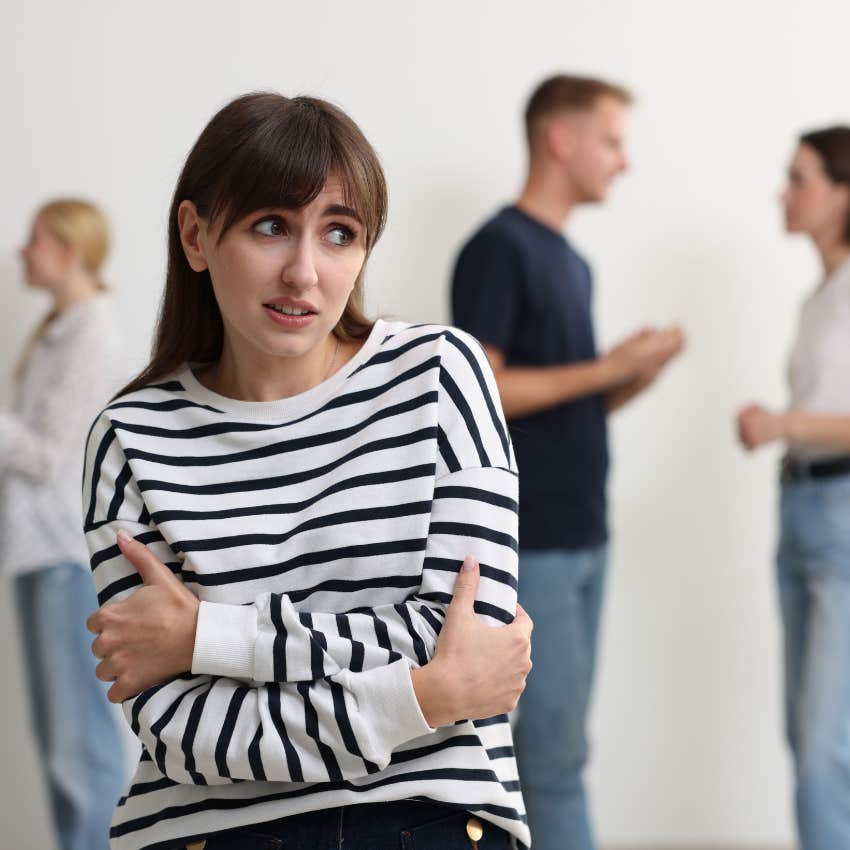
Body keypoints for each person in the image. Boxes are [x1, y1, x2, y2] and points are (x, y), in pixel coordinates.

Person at [82, 93, 533, 850]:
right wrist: (424, 698)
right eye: (270, 226)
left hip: (428, 816)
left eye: (339, 234)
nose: (304, 271)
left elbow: (462, 640)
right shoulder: (132, 437)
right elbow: (182, 729)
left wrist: (207, 637)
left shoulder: (440, 376)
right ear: (195, 234)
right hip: (209, 833)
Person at [451, 74, 685, 850]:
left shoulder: (574, 262)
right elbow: (483, 393)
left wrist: (630, 375)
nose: (624, 162)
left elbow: (564, 406)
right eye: (613, 141)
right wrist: (608, 366)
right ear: (562, 139)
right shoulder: (498, 247)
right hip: (534, 542)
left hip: (585, 535)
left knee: (559, 751)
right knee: (552, 758)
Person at [737, 126, 850, 850]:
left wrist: (781, 422)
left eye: (800, 177)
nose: (785, 191)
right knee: (808, 738)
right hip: (801, 508)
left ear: (844, 193)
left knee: (822, 748)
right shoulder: (821, 296)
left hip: (840, 514)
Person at [0, 199, 126, 850]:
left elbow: (49, 456)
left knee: (78, 747)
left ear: (69, 251)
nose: (23, 251)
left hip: (62, 559)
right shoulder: (62, 329)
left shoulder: (91, 333)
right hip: (37, 556)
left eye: (35, 239)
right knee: (60, 745)